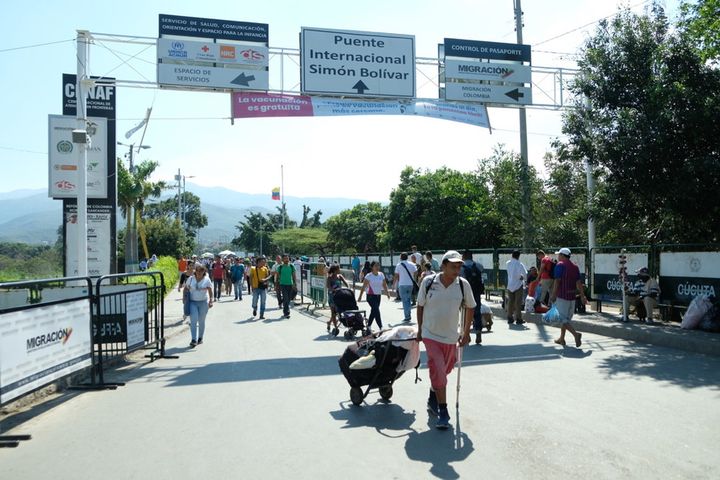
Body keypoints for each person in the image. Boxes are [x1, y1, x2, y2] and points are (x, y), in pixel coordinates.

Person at [417, 250, 476, 430]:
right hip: (430, 334)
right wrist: (420, 329)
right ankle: (444, 412)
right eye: (453, 266)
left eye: (459, 266)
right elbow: (420, 306)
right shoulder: (428, 282)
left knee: (445, 369)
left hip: (451, 336)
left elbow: (470, 307)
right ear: (443, 266)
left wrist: (466, 332)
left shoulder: (462, 285)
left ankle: (433, 395)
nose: (457, 269)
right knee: (438, 369)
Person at [549, 248, 586, 348]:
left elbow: (557, 281)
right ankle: (562, 339)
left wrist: (553, 294)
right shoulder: (575, 267)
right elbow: (579, 283)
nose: (558, 256)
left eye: (559, 254)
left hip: (562, 296)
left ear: (562, 255)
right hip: (572, 297)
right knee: (566, 319)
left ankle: (576, 334)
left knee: (562, 319)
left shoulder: (560, 265)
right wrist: (582, 296)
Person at [183, 263, 213, 347]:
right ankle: (193, 339)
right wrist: (184, 298)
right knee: (193, 320)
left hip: (203, 302)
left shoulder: (207, 279)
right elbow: (185, 288)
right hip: (193, 302)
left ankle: (200, 337)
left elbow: (210, 290)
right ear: (195, 271)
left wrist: (211, 300)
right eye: (197, 270)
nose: (199, 272)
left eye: (201, 270)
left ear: (204, 271)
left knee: (201, 321)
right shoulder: (191, 279)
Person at [358, 261, 390, 332]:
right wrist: (360, 296)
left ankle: (368, 326)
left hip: (378, 296)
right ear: (372, 267)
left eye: (378, 265)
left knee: (374, 311)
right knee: (376, 310)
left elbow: (384, 284)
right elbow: (363, 287)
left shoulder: (381, 274)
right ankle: (381, 327)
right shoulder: (369, 276)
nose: (377, 267)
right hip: (370, 296)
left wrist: (387, 292)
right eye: (375, 266)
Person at [461, 250, 485, 344]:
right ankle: (478, 331)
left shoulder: (461, 267)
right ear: (471, 256)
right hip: (476, 292)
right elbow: (482, 272)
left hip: (464, 293)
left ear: (464, 256)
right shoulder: (478, 266)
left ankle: (467, 335)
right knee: (477, 311)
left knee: (465, 313)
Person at [393, 252, 418, 322]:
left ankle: (407, 316)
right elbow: (416, 272)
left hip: (402, 284)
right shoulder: (412, 264)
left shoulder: (399, 265)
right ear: (407, 257)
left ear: (401, 257)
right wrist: (414, 279)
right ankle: (408, 314)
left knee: (405, 301)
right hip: (410, 284)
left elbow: (396, 275)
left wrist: (394, 284)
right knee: (408, 299)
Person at [506, 250, 527, 325]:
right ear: (518, 256)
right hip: (518, 285)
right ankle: (518, 318)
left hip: (510, 285)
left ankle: (510, 317)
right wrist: (522, 277)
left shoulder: (508, 263)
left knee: (510, 302)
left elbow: (511, 273)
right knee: (518, 302)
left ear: (512, 255)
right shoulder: (519, 264)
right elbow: (524, 274)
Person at [326, 264, 349, 332]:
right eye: (338, 269)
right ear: (335, 270)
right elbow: (328, 286)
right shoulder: (329, 278)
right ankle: (336, 327)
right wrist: (333, 290)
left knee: (337, 312)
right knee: (333, 312)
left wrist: (348, 287)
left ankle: (329, 322)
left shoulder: (340, 276)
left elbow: (346, 282)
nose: (340, 270)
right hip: (332, 297)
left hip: (339, 296)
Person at [276, 254, 297, 318]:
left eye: (287, 258)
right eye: (285, 258)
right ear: (282, 259)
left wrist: (294, 283)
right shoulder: (280, 267)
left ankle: (284, 307)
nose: (286, 259)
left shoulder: (291, 266)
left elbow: (294, 275)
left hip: (290, 284)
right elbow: (278, 277)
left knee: (288, 299)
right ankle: (286, 312)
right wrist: (277, 285)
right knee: (286, 298)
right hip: (283, 284)